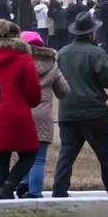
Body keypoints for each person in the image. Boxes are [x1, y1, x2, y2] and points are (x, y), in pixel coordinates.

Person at [51, 10, 108, 197]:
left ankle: (59, 190)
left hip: (67, 111)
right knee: (105, 155)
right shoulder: (97, 53)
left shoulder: (62, 53)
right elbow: (107, 81)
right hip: (93, 112)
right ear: (92, 32)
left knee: (66, 155)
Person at [0, 20, 42, 199]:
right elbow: (33, 92)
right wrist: (32, 101)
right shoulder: (23, 58)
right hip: (18, 112)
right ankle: (8, 186)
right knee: (30, 152)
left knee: (1, 157)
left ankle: (4, 195)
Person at [16, 31, 69, 198]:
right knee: (39, 158)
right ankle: (35, 191)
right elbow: (64, 90)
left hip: (22, 114)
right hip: (43, 115)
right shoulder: (52, 64)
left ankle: (24, 182)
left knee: (23, 154)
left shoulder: (19, 62)